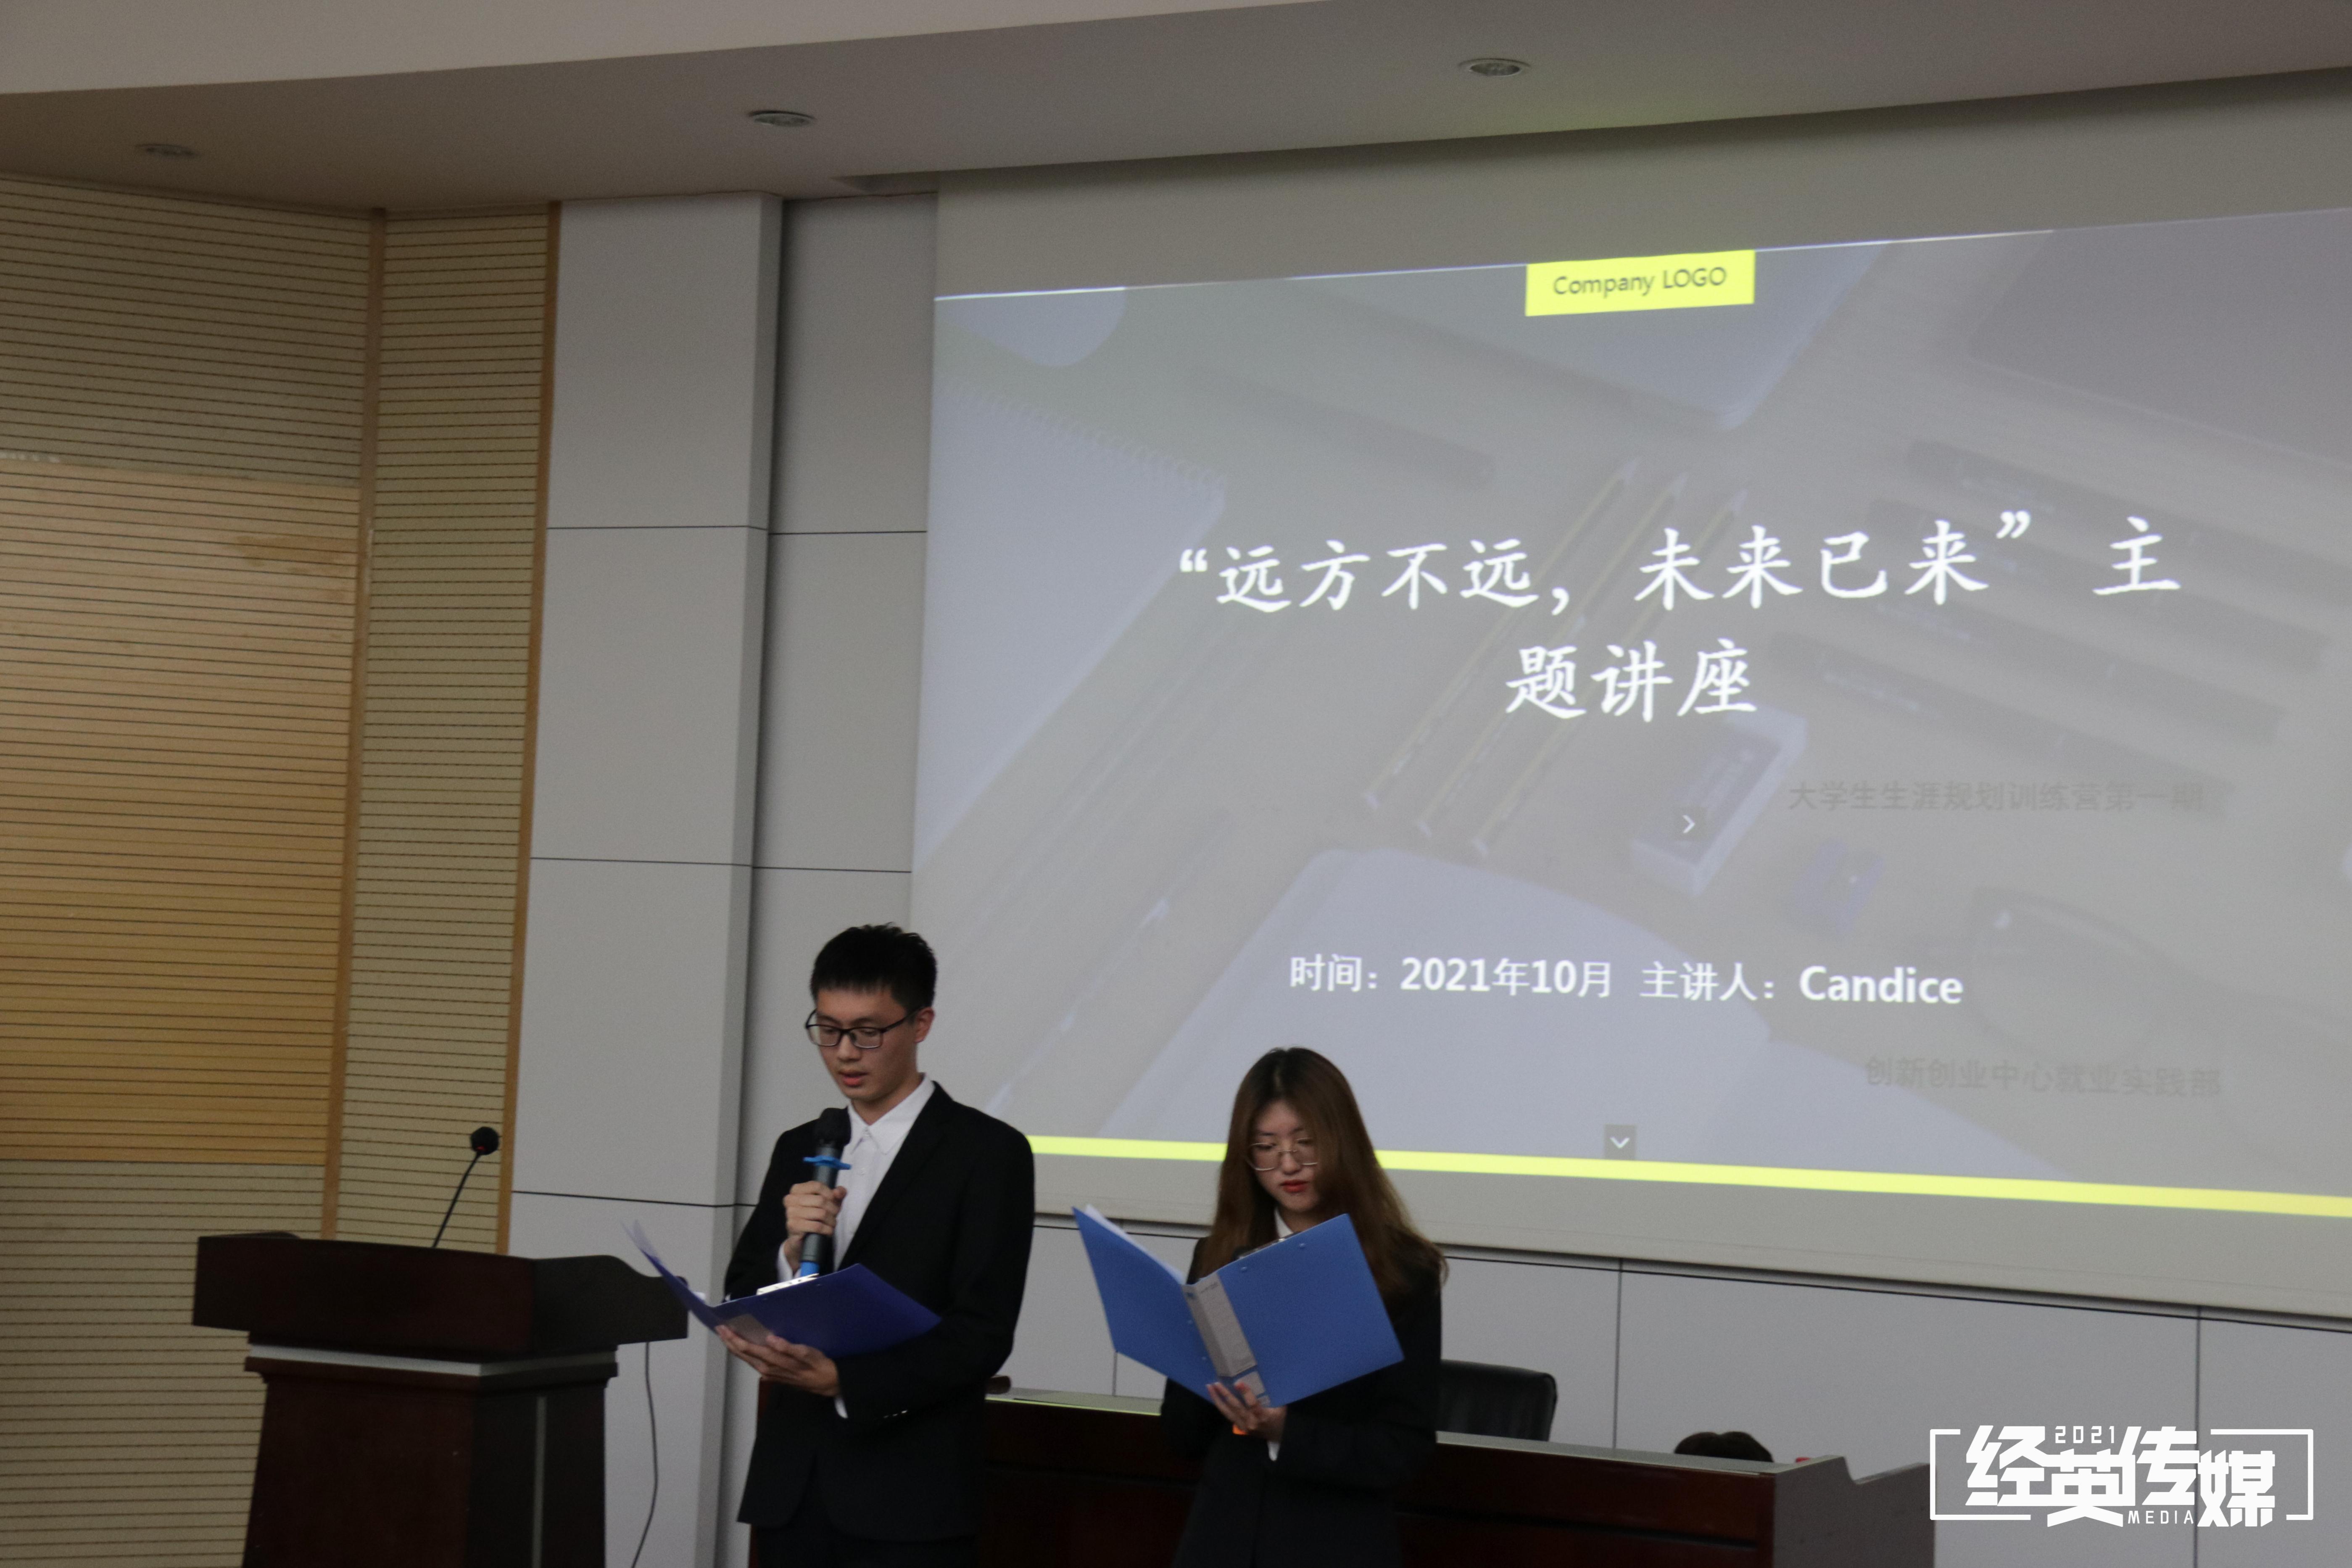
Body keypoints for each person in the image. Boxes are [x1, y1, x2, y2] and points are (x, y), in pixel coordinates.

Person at [720, 924, 1034, 1567]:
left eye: (867, 1031)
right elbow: (744, 1287)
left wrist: (848, 1381)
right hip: (793, 1486)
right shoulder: (801, 1144)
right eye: (828, 1029)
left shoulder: (987, 1152)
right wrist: (788, 1253)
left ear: (921, 1023)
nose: (845, 1052)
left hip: (910, 1494)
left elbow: (981, 1330)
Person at [1160, 1047, 1444, 1568]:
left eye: (1305, 1143)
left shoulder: (1402, 1271)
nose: (1287, 1164)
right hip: (1223, 1535)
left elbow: (1401, 1447)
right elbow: (1181, 1434)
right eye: (1265, 1147)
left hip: (1333, 1540)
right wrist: (1192, 1360)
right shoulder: (1218, 1255)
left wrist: (1285, 1430)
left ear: (1341, 1141)